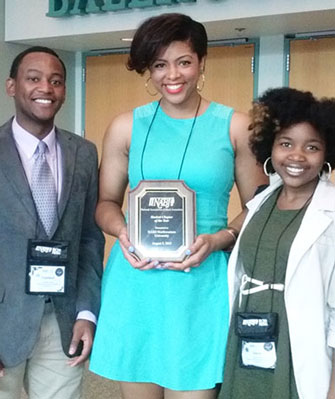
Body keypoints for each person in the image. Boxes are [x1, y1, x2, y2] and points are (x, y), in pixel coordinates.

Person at [89, 13, 266, 399]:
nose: (172, 75)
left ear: (202, 62)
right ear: (149, 70)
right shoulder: (126, 126)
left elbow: (260, 205)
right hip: (136, 280)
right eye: (159, 65)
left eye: (183, 61)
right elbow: (105, 203)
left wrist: (221, 237)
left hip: (200, 283)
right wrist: (121, 230)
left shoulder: (235, 126)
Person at [0, 46, 104, 399]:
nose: (46, 88)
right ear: (11, 86)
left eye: (56, 81)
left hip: (62, 321)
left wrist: (87, 312)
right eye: (34, 78)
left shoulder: (84, 153)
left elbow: (90, 239)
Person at [219, 87, 335, 399]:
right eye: (286, 144)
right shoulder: (260, 201)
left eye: (312, 147)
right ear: (270, 147)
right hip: (246, 341)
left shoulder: (331, 211)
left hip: (297, 350)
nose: (297, 156)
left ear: (327, 154)